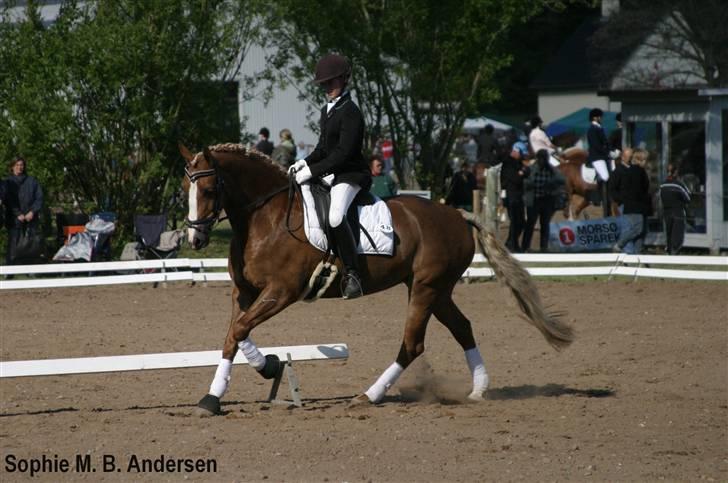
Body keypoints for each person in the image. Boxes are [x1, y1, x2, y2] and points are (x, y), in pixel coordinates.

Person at [289, 53, 371, 299]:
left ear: (345, 80)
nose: (327, 87)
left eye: (331, 82)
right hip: (333, 173)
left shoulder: (351, 112)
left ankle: (353, 273)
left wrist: (312, 172)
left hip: (351, 174)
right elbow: (323, 149)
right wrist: (303, 162)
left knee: (335, 217)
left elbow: (343, 154)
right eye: (324, 84)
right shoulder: (327, 111)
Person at [522, 149, 566, 252]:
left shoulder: (551, 169)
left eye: (544, 158)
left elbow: (562, 180)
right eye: (541, 158)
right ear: (537, 158)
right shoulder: (531, 168)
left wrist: (551, 183)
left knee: (545, 224)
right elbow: (524, 181)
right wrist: (530, 184)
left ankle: (544, 247)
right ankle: (525, 246)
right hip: (534, 200)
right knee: (530, 224)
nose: (542, 160)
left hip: (547, 200)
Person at [4, 156, 44, 264]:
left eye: (21, 165)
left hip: (31, 218)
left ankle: (31, 269)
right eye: (17, 165)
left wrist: (32, 212)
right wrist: (17, 213)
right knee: (13, 245)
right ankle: (10, 270)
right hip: (14, 219)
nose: (19, 167)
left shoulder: (32, 181)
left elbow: (39, 198)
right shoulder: (7, 182)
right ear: (12, 167)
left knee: (31, 245)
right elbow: (7, 200)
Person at [613, 149, 652, 254]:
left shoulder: (632, 171)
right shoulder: (638, 171)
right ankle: (619, 245)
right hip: (636, 206)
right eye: (646, 160)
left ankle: (638, 255)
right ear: (641, 160)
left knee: (642, 232)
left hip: (636, 206)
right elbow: (639, 190)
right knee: (637, 229)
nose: (647, 163)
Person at [500, 141, 530, 252]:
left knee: (521, 222)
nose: (522, 156)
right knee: (514, 221)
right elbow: (515, 179)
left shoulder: (518, 164)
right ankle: (512, 245)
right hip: (510, 197)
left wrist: (522, 172)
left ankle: (511, 242)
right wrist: (521, 172)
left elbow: (527, 171)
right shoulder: (508, 163)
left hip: (518, 196)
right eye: (521, 153)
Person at [659, 163, 691, 255]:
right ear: (675, 172)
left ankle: (668, 250)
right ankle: (675, 250)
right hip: (678, 211)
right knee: (677, 232)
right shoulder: (679, 185)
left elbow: (660, 198)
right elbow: (688, 198)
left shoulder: (663, 185)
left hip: (666, 211)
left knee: (669, 231)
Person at [587, 108, 611, 217]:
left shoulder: (599, 128)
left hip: (602, 156)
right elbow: (596, 145)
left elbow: (605, 142)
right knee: (605, 177)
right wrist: (607, 152)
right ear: (595, 117)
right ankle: (596, 198)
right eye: (599, 116)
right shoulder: (592, 129)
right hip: (597, 157)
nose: (601, 118)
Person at [608, 147, 633, 216]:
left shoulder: (634, 169)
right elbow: (612, 189)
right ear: (622, 157)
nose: (630, 159)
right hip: (623, 205)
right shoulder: (617, 172)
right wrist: (621, 200)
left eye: (631, 157)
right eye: (629, 157)